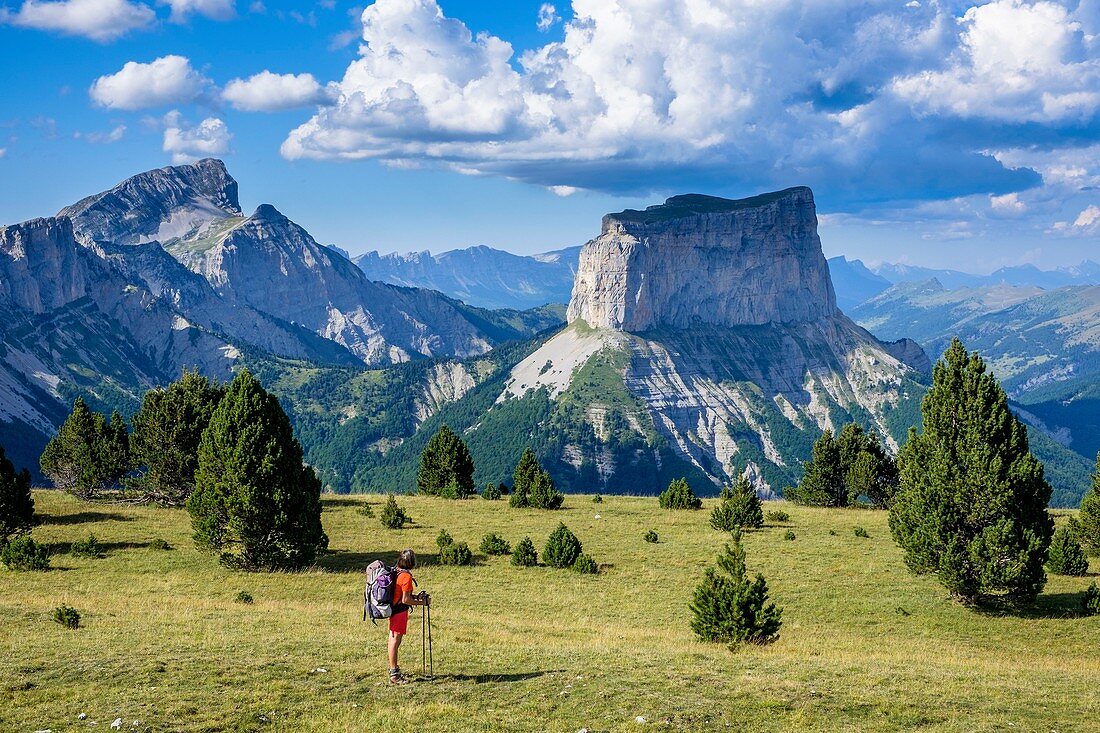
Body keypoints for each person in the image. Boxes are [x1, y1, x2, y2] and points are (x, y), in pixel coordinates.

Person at [388, 548, 429, 684]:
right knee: (395, 641)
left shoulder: (397, 571)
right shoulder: (406, 577)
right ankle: (394, 674)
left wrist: (417, 597)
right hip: (399, 612)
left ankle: (394, 669)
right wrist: (422, 602)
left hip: (393, 610)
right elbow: (405, 600)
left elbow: (402, 595)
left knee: (392, 640)